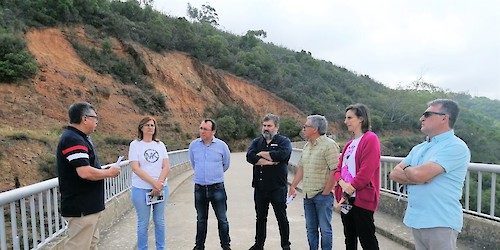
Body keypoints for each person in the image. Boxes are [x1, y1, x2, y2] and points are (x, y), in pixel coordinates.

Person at [389, 99, 470, 250]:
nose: (422, 118)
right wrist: (417, 174)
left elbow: (418, 175)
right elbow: (394, 174)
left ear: (444, 118)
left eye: (427, 114)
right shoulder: (419, 148)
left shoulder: (456, 146)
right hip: (418, 218)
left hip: (440, 220)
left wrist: (411, 171)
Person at [56, 102, 120, 250]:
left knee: (91, 244)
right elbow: (84, 172)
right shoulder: (73, 139)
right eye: (95, 118)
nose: (96, 121)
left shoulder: (79, 137)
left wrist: (103, 170)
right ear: (84, 118)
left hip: (88, 206)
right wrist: (108, 173)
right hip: (81, 207)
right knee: (79, 246)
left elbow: (86, 167)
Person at [332, 103, 380, 250]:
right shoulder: (348, 145)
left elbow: (366, 172)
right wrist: (341, 183)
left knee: (367, 239)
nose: (346, 121)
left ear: (361, 119)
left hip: (361, 198)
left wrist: (348, 189)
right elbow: (337, 169)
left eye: (349, 118)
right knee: (349, 237)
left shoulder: (370, 139)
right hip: (347, 197)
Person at [289, 115, 340, 250]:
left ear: (315, 129)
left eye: (306, 126)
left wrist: (325, 193)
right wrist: (293, 186)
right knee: (311, 229)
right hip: (307, 195)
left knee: (325, 229)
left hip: (321, 195)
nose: (304, 129)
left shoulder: (329, 145)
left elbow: (334, 170)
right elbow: (301, 168)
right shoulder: (307, 146)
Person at [246, 114, 293, 250]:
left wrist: (261, 154)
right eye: (264, 125)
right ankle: (259, 244)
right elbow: (249, 156)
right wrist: (269, 161)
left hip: (277, 187)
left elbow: (282, 155)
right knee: (260, 218)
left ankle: (285, 245)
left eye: (269, 126)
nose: (266, 128)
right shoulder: (257, 141)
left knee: (281, 218)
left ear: (276, 127)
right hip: (260, 187)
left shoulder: (284, 141)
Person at [189, 119, 232, 250]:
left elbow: (226, 164)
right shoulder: (193, 146)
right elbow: (193, 163)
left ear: (213, 131)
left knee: (222, 219)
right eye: (201, 128)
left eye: (205, 129)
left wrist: (215, 175)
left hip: (217, 188)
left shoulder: (222, 146)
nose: (202, 131)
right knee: (201, 219)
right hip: (199, 188)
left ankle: (225, 245)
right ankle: (199, 246)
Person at [128, 116, 170, 250]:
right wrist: (154, 183)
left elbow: (166, 166)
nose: (150, 128)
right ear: (141, 128)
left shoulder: (160, 145)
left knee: (159, 221)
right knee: (143, 222)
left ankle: (161, 248)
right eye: (147, 125)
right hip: (142, 189)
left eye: (152, 125)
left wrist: (160, 183)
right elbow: (135, 168)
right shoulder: (135, 145)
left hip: (160, 188)